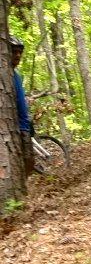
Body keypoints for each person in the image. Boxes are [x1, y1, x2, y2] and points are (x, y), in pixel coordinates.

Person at [9, 35, 35, 175]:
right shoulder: (6, 76)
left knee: (28, 165)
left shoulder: (16, 75)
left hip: (24, 128)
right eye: (14, 51)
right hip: (16, 130)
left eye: (20, 52)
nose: (18, 55)